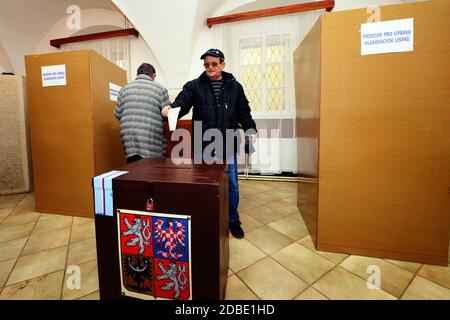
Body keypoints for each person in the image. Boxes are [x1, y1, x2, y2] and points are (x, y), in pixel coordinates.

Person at [161, 48, 257, 239]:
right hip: (203, 143)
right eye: (206, 64)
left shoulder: (235, 87)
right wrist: (170, 110)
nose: (210, 67)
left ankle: (232, 220)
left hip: (227, 142)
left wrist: (250, 128)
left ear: (222, 64)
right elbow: (182, 103)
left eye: (214, 64)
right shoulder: (194, 86)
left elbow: (243, 110)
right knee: (204, 185)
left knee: (231, 185)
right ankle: (205, 216)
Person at [115, 63, 170, 164]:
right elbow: (168, 114)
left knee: (133, 167)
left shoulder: (124, 89)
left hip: (128, 137)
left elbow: (118, 114)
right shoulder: (160, 89)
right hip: (150, 137)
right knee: (151, 170)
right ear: (153, 76)